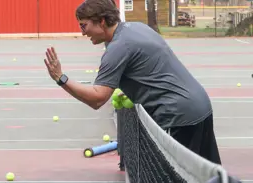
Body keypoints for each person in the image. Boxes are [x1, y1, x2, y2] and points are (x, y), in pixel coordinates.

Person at [43, 0, 221, 165]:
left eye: (84, 25)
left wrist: (61, 78)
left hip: (179, 117)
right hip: (199, 105)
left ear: (102, 21)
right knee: (207, 179)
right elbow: (151, 68)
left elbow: (97, 99)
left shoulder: (118, 47)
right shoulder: (136, 28)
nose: (82, 32)